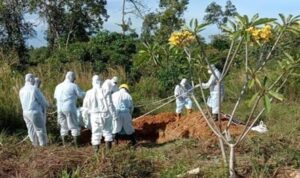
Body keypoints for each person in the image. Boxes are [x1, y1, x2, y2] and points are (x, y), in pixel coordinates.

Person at [54, 71, 85, 147]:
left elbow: (55, 97)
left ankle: (65, 144)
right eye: (74, 78)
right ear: (71, 77)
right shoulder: (73, 86)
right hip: (69, 108)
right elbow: (81, 95)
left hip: (59, 109)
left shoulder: (58, 86)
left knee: (64, 127)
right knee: (74, 126)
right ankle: (76, 146)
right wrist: (87, 93)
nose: (74, 79)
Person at [19, 74, 49, 147]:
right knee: (40, 129)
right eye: (32, 78)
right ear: (30, 79)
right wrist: (48, 105)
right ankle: (43, 146)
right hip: (34, 112)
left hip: (25, 113)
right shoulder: (34, 89)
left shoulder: (21, 90)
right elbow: (42, 101)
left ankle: (35, 145)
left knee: (31, 130)